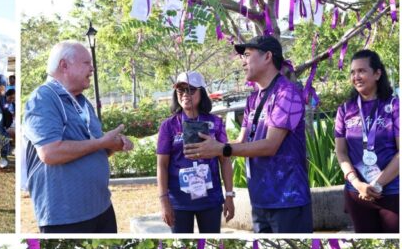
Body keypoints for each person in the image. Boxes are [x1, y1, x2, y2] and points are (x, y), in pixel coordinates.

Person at [184, 35, 312, 233]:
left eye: (247, 55)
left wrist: (221, 149)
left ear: (267, 56)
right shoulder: (253, 99)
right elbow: (242, 141)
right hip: (260, 200)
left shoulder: (286, 93)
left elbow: (270, 145)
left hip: (288, 200)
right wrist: (207, 147)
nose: (242, 61)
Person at [23, 40, 133, 233]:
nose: (92, 69)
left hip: (100, 206)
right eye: (86, 63)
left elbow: (94, 147)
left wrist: (113, 144)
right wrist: (101, 142)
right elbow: (50, 153)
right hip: (66, 216)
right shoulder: (43, 98)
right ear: (64, 65)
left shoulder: (82, 102)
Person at [157, 71, 235, 232]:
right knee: (183, 244)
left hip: (210, 200)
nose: (185, 94)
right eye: (180, 90)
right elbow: (162, 165)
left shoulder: (215, 123)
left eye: (191, 90)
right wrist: (163, 200)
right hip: (179, 202)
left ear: (202, 92)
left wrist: (229, 195)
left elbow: (225, 160)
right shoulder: (168, 126)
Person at [335, 49, 399, 232]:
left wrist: (377, 184)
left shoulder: (394, 106)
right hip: (357, 193)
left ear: (377, 74)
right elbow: (341, 152)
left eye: (362, 71)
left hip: (391, 192)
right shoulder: (345, 110)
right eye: (353, 72)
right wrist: (357, 184)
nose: (356, 77)